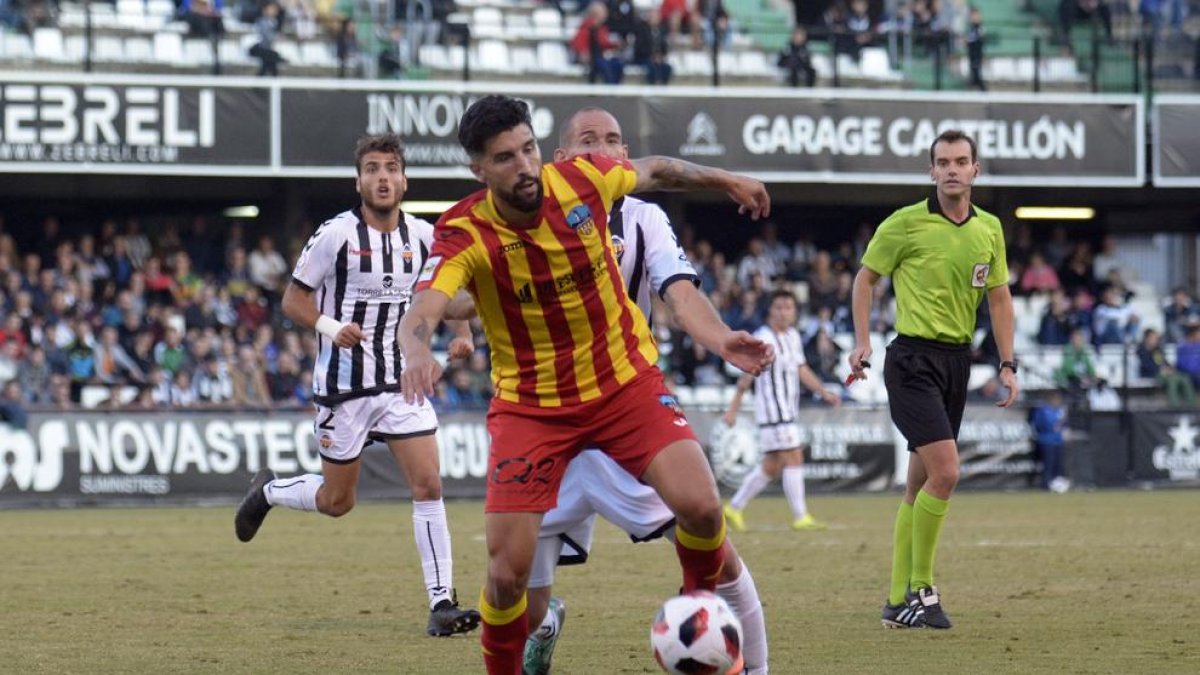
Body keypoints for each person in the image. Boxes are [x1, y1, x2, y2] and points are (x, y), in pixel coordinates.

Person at [398, 95, 771, 674]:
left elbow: (660, 169)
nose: (523, 167)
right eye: (505, 158)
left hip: (624, 384)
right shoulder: (462, 229)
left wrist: (728, 180)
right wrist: (415, 350)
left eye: (528, 149)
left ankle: (698, 615)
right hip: (532, 408)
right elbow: (424, 308)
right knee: (506, 577)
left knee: (701, 506)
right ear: (479, 169)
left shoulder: (583, 180)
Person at [514, 107, 771, 675]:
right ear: (560, 160)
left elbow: (679, 295)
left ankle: (754, 669)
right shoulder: (526, 217)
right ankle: (547, 620)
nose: (603, 149)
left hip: (622, 413)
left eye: (613, 141)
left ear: (628, 158)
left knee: (713, 541)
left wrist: (722, 338)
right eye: (588, 141)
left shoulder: (645, 219)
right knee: (521, 606)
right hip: (544, 422)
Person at [233, 133, 481, 638]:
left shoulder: (425, 236)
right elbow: (293, 300)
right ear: (359, 181)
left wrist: (462, 333)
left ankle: (441, 603)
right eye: (373, 168)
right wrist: (329, 328)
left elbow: (450, 289)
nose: (383, 177)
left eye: (391, 167)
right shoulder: (335, 235)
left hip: (400, 381)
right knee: (337, 503)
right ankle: (272, 491)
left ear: (405, 179)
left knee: (429, 484)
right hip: (342, 388)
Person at [848, 129, 1019, 630]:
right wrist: (861, 341)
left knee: (917, 486)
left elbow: (1000, 298)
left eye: (960, 161)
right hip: (912, 362)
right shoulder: (904, 224)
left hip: (957, 362)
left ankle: (896, 599)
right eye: (942, 161)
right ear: (931, 171)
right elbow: (865, 279)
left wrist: (1008, 363)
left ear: (974, 171)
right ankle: (921, 591)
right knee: (946, 472)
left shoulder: (989, 228)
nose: (951, 169)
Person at [721, 290, 842, 532]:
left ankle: (733, 508)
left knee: (771, 466)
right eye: (779, 307)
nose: (785, 311)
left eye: (789, 307)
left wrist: (823, 391)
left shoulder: (793, 336)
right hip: (773, 412)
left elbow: (801, 369)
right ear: (770, 311)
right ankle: (800, 516)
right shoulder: (763, 338)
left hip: (788, 410)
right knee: (794, 456)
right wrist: (733, 409)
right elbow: (747, 375)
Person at [1030, 390, 1069, 492]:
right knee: (1048, 464)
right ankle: (1045, 484)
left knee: (1058, 464)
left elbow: (1064, 424)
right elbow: (1038, 424)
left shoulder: (1060, 410)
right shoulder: (1043, 410)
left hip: (1058, 441)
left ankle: (1056, 484)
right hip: (1046, 441)